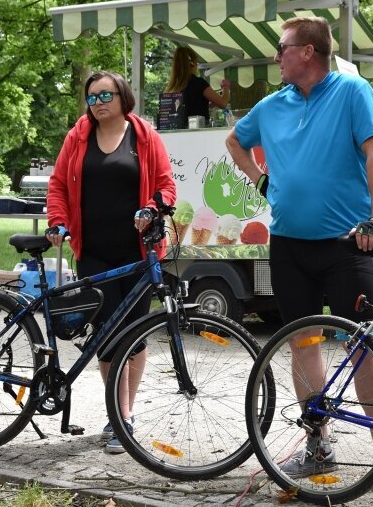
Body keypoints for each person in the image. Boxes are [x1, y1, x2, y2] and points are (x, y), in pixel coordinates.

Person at [224, 17, 373, 498]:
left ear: (307, 51)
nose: (275, 57)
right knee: (302, 344)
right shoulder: (270, 106)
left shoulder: (351, 92)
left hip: (347, 245)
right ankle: (319, 442)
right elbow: (234, 142)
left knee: (363, 348)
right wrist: (262, 181)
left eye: (281, 48)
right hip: (288, 244)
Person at [45, 70, 176, 455]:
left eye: (105, 96)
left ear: (123, 96)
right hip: (94, 252)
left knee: (134, 333)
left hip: (138, 252)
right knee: (105, 332)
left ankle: (126, 413)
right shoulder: (77, 137)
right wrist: (58, 221)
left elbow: (166, 184)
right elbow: (58, 184)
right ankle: (116, 413)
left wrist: (154, 208)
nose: (98, 103)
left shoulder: (145, 136)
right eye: (92, 98)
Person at [164, 46, 231, 125]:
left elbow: (191, 106)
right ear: (193, 63)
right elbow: (223, 103)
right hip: (198, 132)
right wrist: (226, 87)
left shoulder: (171, 87)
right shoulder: (199, 83)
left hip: (177, 132)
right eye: (197, 63)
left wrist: (209, 104)